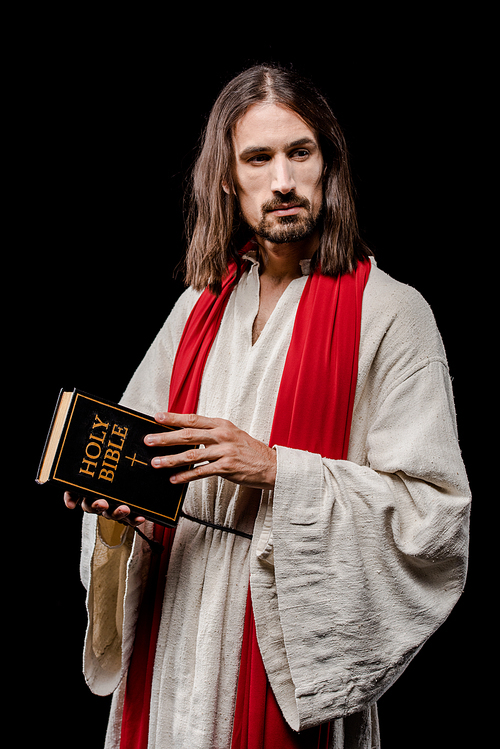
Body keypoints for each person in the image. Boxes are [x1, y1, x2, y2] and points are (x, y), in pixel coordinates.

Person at [64, 64, 471, 749]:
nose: (282, 179)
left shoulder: (391, 314)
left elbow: (434, 518)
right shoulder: (196, 310)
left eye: (300, 153)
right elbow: (138, 460)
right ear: (228, 177)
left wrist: (280, 470)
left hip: (279, 667)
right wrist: (115, 515)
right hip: (171, 656)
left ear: (328, 164)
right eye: (258, 157)